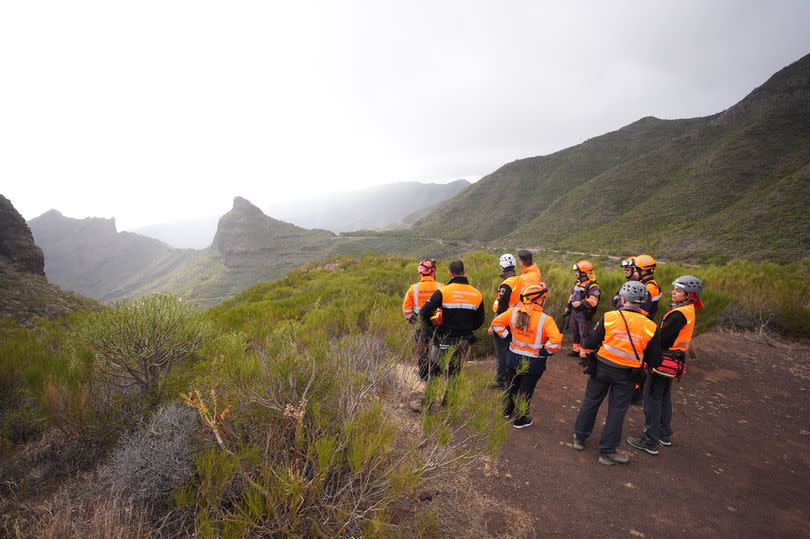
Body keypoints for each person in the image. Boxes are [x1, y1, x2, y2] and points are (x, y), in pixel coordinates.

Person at [572, 281, 662, 465]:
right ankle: (607, 452)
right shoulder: (650, 326)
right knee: (617, 411)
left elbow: (589, 343)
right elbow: (655, 360)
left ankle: (579, 438)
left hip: (602, 368)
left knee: (591, 401)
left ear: (622, 298)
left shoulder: (610, 317)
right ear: (643, 301)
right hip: (627, 375)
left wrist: (590, 358)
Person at [627, 275, 703, 455]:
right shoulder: (688, 310)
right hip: (674, 360)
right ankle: (663, 434)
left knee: (652, 397)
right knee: (663, 396)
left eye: (678, 290)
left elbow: (662, 339)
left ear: (689, 295)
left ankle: (650, 441)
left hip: (663, 360)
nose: (673, 292)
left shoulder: (678, 314)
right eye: (674, 289)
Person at [489, 283, 562, 429]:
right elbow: (556, 341)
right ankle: (520, 419)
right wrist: (544, 352)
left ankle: (507, 410)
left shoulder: (512, 312)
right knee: (526, 390)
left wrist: (507, 337)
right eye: (543, 298)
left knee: (512, 385)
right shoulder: (545, 319)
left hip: (513, 358)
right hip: (534, 362)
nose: (544, 300)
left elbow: (496, 323)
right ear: (537, 300)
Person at [416, 259, 484, 412]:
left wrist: (431, 329)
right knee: (455, 372)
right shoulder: (476, 294)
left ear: (450, 273)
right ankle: (449, 405)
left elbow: (423, 312)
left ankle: (426, 405)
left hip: (442, 339)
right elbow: (480, 321)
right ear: (465, 272)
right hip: (463, 341)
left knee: (435, 372)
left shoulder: (443, 291)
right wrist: (465, 330)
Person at [402, 259, 443, 381]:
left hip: (421, 323)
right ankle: (436, 374)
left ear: (420, 273)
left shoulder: (413, 289)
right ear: (433, 272)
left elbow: (406, 309)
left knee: (422, 349)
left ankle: (424, 375)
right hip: (438, 322)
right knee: (439, 347)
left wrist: (412, 320)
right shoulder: (441, 287)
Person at [491, 253, 524, 389]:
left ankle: (502, 380)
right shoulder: (521, 280)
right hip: (518, 320)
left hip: (504, 321)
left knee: (501, 351)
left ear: (502, 266)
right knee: (512, 349)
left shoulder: (506, 284)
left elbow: (502, 306)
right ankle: (512, 378)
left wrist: (494, 324)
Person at [565, 260, 601, 360]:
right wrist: (568, 307)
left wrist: (580, 303)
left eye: (578, 271)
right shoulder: (577, 283)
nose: (576, 273)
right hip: (574, 313)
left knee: (584, 334)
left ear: (584, 273)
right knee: (575, 331)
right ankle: (576, 350)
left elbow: (593, 302)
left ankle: (585, 355)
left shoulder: (593, 286)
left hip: (584, 314)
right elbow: (572, 295)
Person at [634, 254, 663, 320]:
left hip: (642, 322)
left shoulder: (649, 288)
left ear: (644, 271)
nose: (634, 273)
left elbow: (642, 313)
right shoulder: (651, 283)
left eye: (636, 271)